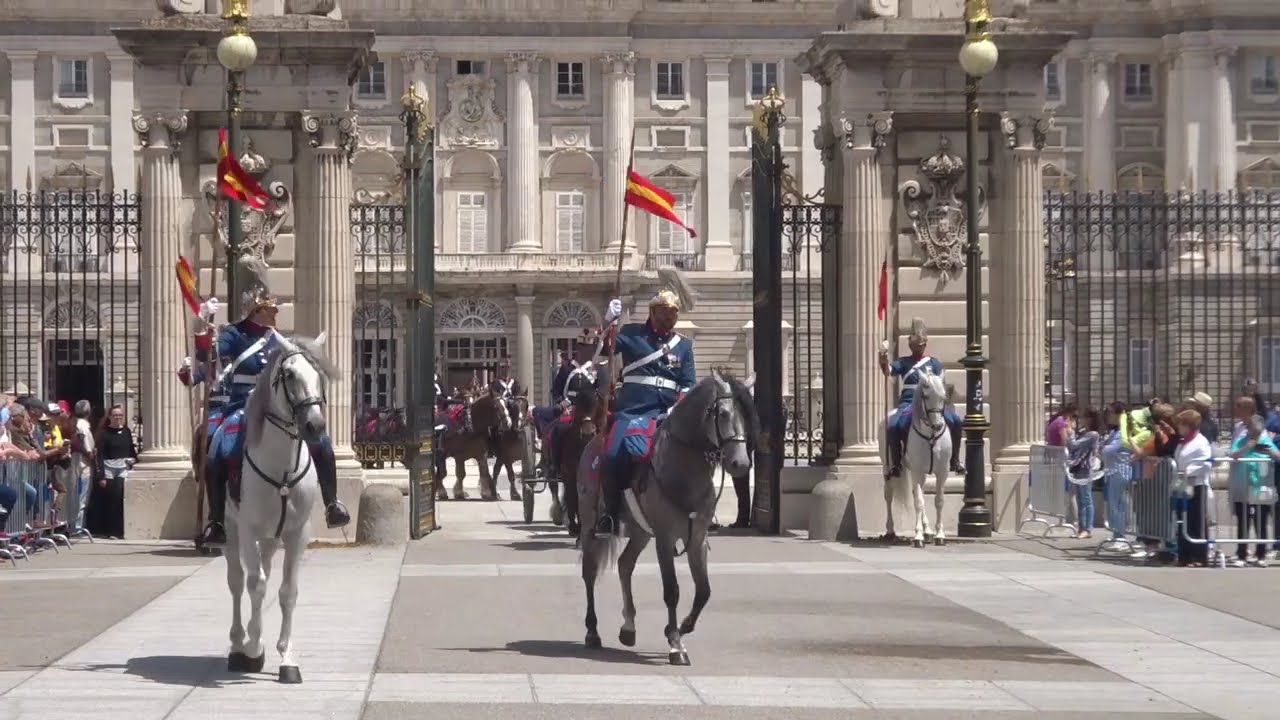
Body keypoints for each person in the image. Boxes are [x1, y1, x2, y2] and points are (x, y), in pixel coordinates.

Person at [197, 274, 350, 546]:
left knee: (322, 442)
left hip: (278, 406)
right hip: (243, 404)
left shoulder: (280, 340)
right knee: (218, 448)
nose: (274, 314)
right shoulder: (233, 334)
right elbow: (208, 357)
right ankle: (217, 521)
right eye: (269, 310)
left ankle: (332, 503)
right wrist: (203, 327)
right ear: (254, 310)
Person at [597, 290, 696, 536]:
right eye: (664, 312)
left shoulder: (683, 345)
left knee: (697, 452)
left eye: (673, 313)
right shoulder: (632, 334)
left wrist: (677, 407)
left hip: (668, 413)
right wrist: (608, 322)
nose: (669, 317)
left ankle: (696, 508)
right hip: (632, 411)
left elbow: (688, 384)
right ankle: (610, 514)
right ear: (652, 312)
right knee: (612, 455)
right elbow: (603, 349)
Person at [878, 319, 964, 478]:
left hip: (931, 404)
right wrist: (883, 357)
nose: (919, 348)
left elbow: (941, 386)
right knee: (893, 426)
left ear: (925, 344)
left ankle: (955, 460)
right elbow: (888, 371)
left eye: (922, 345)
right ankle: (896, 464)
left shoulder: (934, 363)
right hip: (909, 403)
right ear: (910, 345)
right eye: (916, 345)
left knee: (956, 421)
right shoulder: (904, 362)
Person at [541, 328, 606, 481]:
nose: (585, 351)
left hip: (591, 411)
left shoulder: (598, 370)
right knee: (556, 430)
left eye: (588, 348)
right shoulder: (567, 369)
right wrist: (562, 404)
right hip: (570, 409)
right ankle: (556, 466)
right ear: (578, 348)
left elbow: (603, 392)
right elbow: (556, 391)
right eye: (582, 348)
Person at [88, 404, 136, 539]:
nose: (118, 418)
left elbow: (131, 449)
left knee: (119, 496)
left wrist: (134, 459)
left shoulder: (126, 431)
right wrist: (101, 476)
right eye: (115, 415)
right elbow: (100, 455)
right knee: (110, 499)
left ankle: (119, 530)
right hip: (109, 468)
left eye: (120, 415)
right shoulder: (104, 433)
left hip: (123, 467)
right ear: (109, 417)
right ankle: (109, 530)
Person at [1172, 408, 1213, 567]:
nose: (1178, 427)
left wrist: (1189, 471)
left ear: (1188, 426)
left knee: (1196, 520)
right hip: (1182, 484)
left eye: (1181, 424)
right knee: (1182, 519)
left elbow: (1206, 462)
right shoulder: (1183, 442)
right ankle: (1184, 554)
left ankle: (1199, 556)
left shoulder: (1201, 442)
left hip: (1196, 485)